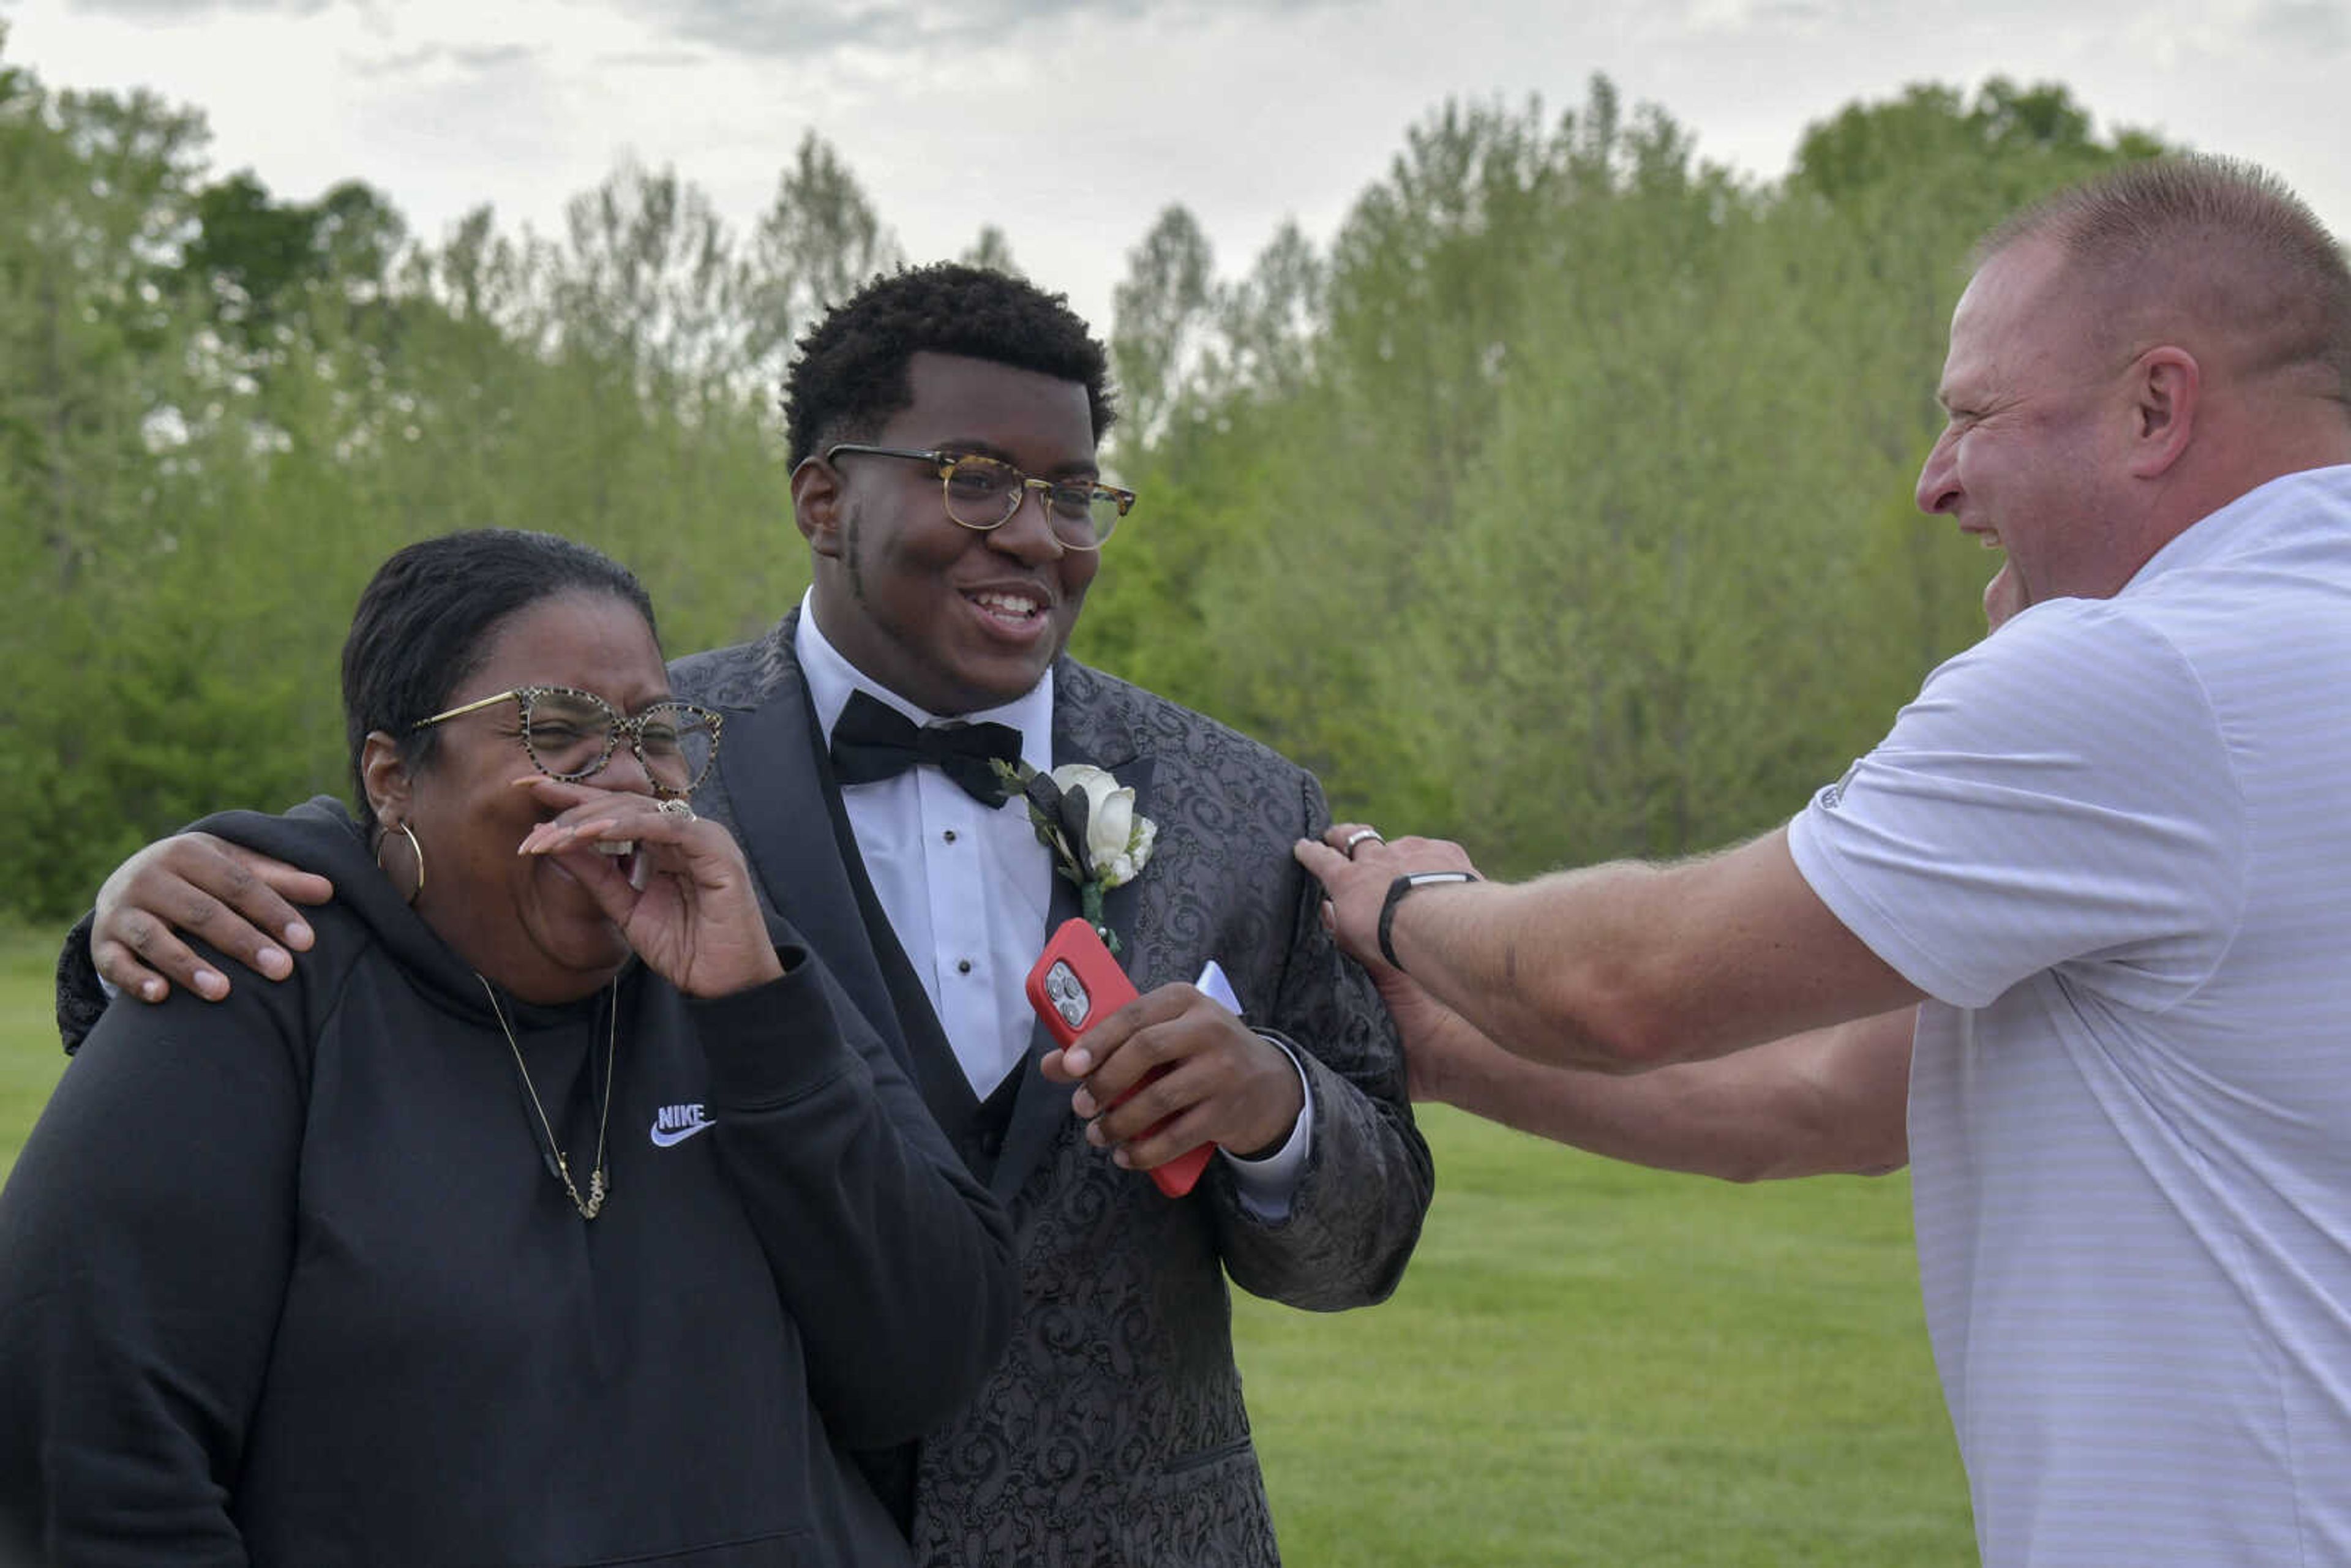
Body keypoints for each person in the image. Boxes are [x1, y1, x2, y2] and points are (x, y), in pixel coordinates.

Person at [56, 267, 1434, 1566]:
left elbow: (1366, 1242)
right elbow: (389, 878)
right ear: (824, 500)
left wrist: (1278, 1116)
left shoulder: (1242, 804)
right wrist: (129, 912)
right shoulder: (653, 744)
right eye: (976, 479)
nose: (1035, 532)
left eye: (1075, 494)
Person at [1300, 156, 2351, 1566]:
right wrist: (1440, 1045)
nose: (1935, 483)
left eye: (1973, 415)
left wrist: (1409, 903)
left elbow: (1628, 984)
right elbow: (1821, 1101)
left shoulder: (2147, 674)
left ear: (2157, 404)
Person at [3, 529, 1018, 1565]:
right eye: (558, 726)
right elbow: (84, 1460)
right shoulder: (252, 975)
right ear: (394, 777)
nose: (628, 774)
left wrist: (764, 1028)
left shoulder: (746, 971)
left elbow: (929, 1360)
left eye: (656, 731)